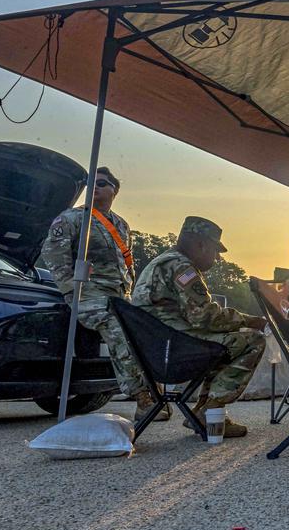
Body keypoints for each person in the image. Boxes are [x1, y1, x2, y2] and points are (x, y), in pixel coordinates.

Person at [40, 167, 166, 421]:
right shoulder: (73, 219)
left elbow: (125, 263)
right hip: (89, 294)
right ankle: (143, 398)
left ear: (114, 190)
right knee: (118, 330)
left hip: (119, 294)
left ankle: (158, 395)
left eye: (103, 183)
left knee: (147, 331)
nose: (95, 187)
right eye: (92, 183)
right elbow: (54, 255)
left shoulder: (121, 225)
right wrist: (72, 291)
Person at [131, 217, 266, 437]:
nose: (217, 258)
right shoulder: (182, 268)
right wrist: (248, 320)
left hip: (158, 348)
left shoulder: (161, 263)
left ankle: (204, 411)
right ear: (200, 244)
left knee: (224, 344)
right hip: (175, 350)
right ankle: (210, 411)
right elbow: (205, 317)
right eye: (215, 250)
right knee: (253, 340)